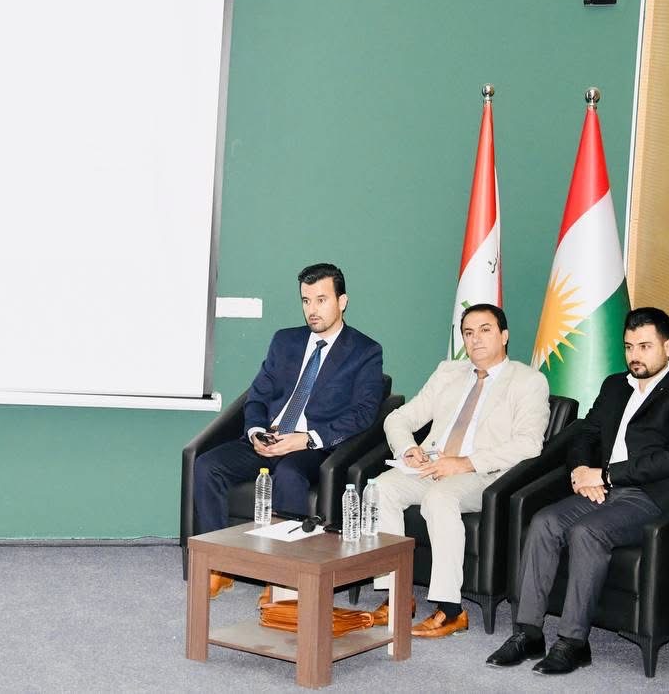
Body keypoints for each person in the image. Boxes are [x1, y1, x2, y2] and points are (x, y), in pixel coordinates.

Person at [486, 307, 669, 675]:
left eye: (645, 346)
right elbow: (585, 433)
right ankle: (528, 633)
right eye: (629, 347)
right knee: (543, 522)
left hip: (654, 496)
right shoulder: (615, 385)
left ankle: (573, 643)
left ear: (668, 347)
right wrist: (579, 470)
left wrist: (605, 476)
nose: (635, 356)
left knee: (587, 531)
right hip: (603, 487)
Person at [193, 263, 383, 597]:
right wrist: (256, 432)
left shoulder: (365, 351)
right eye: (306, 301)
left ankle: (282, 581)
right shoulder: (285, 341)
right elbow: (257, 396)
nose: (312, 309)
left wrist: (306, 439)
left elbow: (363, 413)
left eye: (321, 300)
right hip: (271, 436)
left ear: (342, 301)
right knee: (207, 465)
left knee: (290, 475)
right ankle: (220, 566)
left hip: (314, 446)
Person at [373, 303, 549, 637]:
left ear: (504, 336)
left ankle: (451, 610)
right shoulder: (448, 373)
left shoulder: (528, 381)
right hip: (433, 464)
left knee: (440, 497)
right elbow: (399, 418)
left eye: (485, 330)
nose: (475, 339)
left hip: (485, 474)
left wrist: (465, 463)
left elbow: (529, 445)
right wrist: (409, 448)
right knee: (381, 488)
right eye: (468, 333)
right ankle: (397, 595)